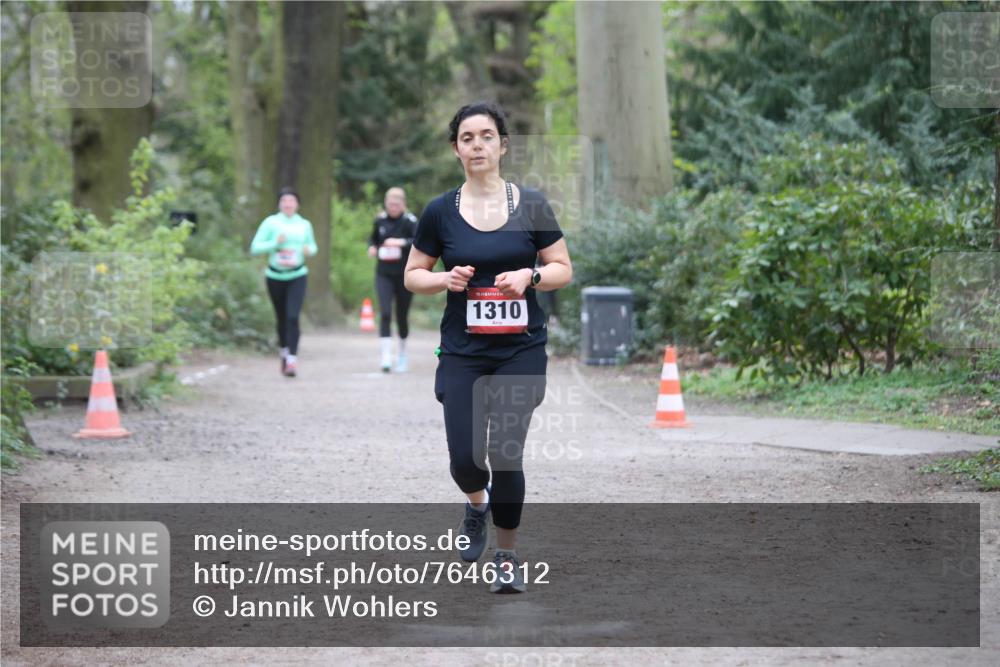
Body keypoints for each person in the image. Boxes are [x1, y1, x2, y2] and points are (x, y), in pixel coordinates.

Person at [404, 102, 573, 593]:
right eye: (467, 138)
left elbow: (563, 266)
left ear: (502, 144)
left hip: (521, 348)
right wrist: (443, 280)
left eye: (486, 136)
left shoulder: (533, 204)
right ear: (456, 149)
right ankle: (477, 503)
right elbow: (413, 275)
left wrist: (531, 275)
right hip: (463, 350)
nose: (477, 145)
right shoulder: (440, 211)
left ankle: (507, 555)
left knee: (506, 452)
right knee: (465, 459)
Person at [250, 187, 317, 377]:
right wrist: (275, 243)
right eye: (284, 201)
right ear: (279, 204)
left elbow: (313, 246)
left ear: (297, 204)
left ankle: (292, 361)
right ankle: (284, 353)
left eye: (291, 201)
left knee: (292, 317)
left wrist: (308, 250)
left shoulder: (304, 224)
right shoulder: (271, 223)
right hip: (275, 276)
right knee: (281, 318)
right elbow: (255, 247)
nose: (288, 204)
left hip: (298, 274)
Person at [367, 187, 418, 372]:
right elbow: (373, 240)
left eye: (396, 204)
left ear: (403, 204)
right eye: (390, 204)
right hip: (384, 274)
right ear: (386, 204)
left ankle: (402, 354)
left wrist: (400, 242)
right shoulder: (379, 219)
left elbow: (419, 241)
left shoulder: (410, 221)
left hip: (405, 275)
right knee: (385, 312)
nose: (393, 208)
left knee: (402, 315)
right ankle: (386, 356)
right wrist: (372, 247)